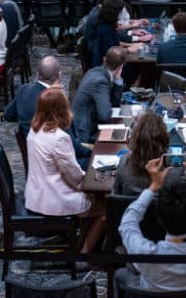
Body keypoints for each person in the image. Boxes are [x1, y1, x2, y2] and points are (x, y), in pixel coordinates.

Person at [116, 154, 186, 292]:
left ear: (159, 217)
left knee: (120, 274)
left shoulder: (145, 254)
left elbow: (127, 223)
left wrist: (154, 185)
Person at [25, 88, 106, 252]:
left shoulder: (33, 132)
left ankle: (82, 241)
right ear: (62, 109)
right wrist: (96, 179)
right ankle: (85, 256)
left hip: (38, 195)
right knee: (106, 209)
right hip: (56, 198)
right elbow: (74, 176)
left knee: (95, 197)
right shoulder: (59, 137)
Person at [71, 46, 126, 144]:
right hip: (86, 132)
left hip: (89, 123)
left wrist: (117, 80)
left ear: (105, 59)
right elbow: (105, 115)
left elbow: (113, 103)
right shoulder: (100, 81)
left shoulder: (95, 71)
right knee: (123, 139)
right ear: (120, 67)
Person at [113, 112, 170, 195]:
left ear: (134, 140)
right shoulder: (170, 168)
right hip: (160, 207)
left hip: (128, 206)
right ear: (164, 140)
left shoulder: (124, 161)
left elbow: (116, 192)